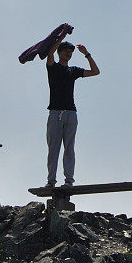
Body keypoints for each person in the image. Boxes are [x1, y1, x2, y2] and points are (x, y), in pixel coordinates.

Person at [45, 29, 99, 188]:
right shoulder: (52, 67)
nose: (69, 54)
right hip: (55, 112)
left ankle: (69, 181)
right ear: (60, 52)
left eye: (71, 52)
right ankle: (51, 181)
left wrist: (87, 54)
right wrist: (62, 35)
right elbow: (50, 53)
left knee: (69, 148)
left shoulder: (73, 71)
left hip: (71, 113)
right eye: (66, 51)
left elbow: (96, 72)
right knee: (53, 148)